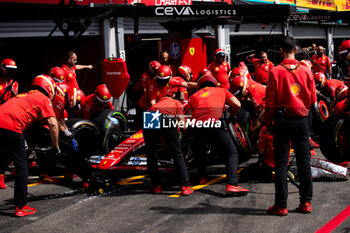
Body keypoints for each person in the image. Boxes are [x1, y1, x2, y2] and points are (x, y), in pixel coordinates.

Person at [264, 36, 316, 216]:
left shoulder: (275, 71)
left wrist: (267, 122)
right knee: (304, 162)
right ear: (295, 48)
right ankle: (306, 203)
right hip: (302, 120)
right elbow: (313, 99)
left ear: (280, 50)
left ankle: (281, 205)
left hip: (282, 121)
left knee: (281, 163)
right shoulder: (306, 71)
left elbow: (270, 103)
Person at [0, 74, 59, 217]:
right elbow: (52, 124)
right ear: (49, 88)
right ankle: (21, 206)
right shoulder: (43, 98)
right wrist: (55, 146)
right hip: (11, 126)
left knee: (4, 156)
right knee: (22, 167)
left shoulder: (24, 95)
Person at [188, 75, 250, 195]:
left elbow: (190, 115)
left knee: (200, 151)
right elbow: (237, 104)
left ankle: (203, 177)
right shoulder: (222, 90)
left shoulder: (194, 96)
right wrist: (232, 116)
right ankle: (232, 184)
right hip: (214, 123)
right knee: (231, 152)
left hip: (197, 125)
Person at [144, 96, 193, 195]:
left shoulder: (156, 105)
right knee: (177, 154)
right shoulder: (176, 102)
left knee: (151, 154)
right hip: (166, 117)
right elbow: (183, 125)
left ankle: (156, 186)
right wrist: (188, 135)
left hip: (149, 116)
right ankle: (185, 186)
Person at [0, 58, 19, 188]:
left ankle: (1, 175)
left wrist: (13, 92)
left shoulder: (14, 83)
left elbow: (16, 98)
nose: (10, 73)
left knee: (6, 149)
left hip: (7, 117)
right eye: (8, 70)